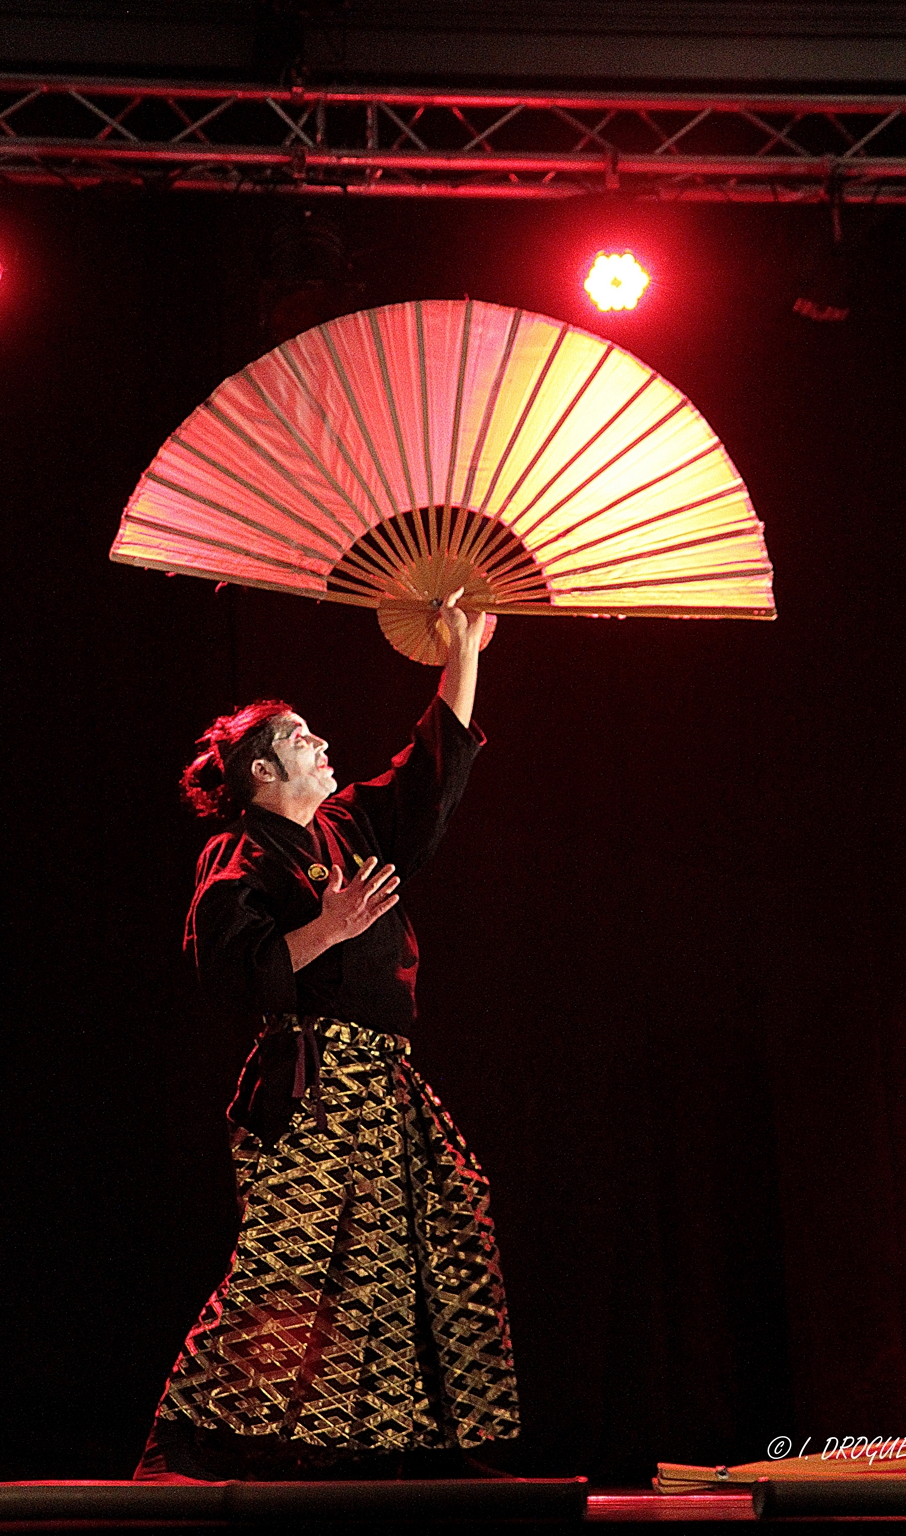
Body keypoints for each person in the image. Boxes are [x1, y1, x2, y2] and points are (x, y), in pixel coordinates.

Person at [134, 592, 520, 1482]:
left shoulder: (347, 824)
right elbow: (233, 971)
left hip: (384, 1074)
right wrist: (329, 930)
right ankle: (196, 1444)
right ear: (262, 772)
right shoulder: (241, 854)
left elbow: (428, 778)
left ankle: (411, 1450)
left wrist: (462, 650)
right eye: (302, 738)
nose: (322, 745)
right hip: (310, 1079)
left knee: (432, 1232)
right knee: (294, 1260)